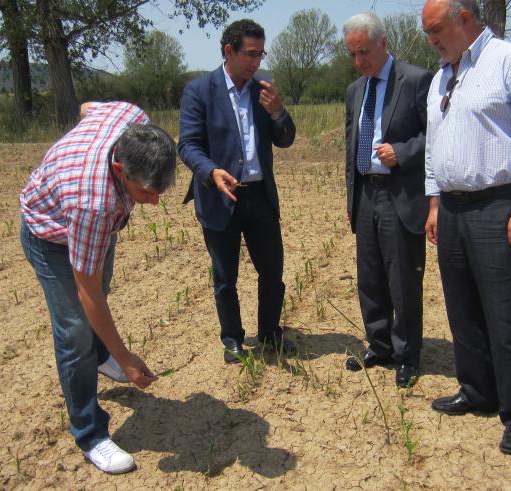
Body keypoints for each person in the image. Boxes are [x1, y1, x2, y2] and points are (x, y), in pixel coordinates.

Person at [420, 0, 511, 455]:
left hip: (500, 206)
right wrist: (436, 201)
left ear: (464, 18)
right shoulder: (444, 75)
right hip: (454, 209)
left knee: (510, 315)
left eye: (436, 29)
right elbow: (434, 144)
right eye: (427, 33)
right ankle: (477, 390)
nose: (432, 40)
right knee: (463, 310)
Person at [19, 101, 176, 473]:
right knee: (75, 329)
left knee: (100, 292)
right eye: (147, 192)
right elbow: (87, 295)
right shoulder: (93, 204)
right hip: (50, 234)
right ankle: (90, 435)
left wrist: (77, 142)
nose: (154, 201)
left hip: (89, 217)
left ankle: (100, 355)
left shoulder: (132, 116)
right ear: (120, 170)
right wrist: (127, 358)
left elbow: (87, 106)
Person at [178, 19, 298, 363]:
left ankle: (270, 334)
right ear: (229, 51)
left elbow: (286, 139)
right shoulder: (200, 91)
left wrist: (278, 111)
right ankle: (232, 338)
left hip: (259, 196)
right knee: (225, 277)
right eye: (250, 54)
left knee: (272, 273)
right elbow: (187, 145)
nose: (257, 62)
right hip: (220, 196)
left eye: (261, 54)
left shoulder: (264, 90)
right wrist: (210, 171)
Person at [340, 12, 434, 388]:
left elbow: (437, 136)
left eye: (364, 51)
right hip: (366, 192)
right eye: (352, 54)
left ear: (384, 43)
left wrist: (403, 152)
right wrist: (351, 196)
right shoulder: (354, 90)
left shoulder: (415, 80)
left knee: (402, 278)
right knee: (371, 276)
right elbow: (350, 147)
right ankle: (378, 345)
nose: (359, 60)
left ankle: (407, 355)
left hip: (400, 194)